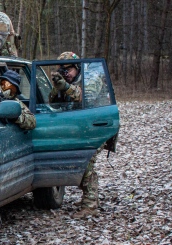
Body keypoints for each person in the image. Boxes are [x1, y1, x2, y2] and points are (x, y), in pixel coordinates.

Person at [49, 51, 103, 218]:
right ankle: (90, 198)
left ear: (77, 67)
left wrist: (66, 87)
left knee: (86, 164)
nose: (66, 73)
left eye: (69, 70)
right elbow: (53, 104)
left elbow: (86, 97)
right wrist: (57, 88)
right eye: (62, 70)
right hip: (77, 128)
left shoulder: (91, 78)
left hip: (95, 126)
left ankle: (90, 205)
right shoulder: (66, 82)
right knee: (78, 163)